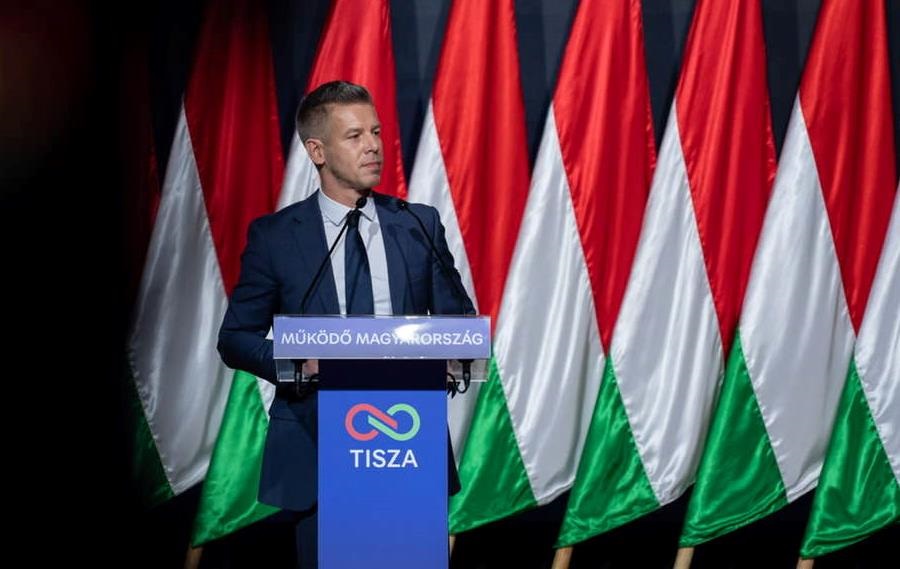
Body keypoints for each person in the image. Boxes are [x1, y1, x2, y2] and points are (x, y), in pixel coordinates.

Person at [217, 80, 474, 568]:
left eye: (375, 132)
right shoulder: (276, 237)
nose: (373, 145)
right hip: (318, 448)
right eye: (354, 136)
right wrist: (299, 363)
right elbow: (235, 339)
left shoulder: (418, 224)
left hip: (406, 444)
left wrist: (450, 355)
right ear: (317, 151)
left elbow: (457, 324)